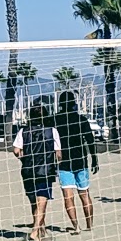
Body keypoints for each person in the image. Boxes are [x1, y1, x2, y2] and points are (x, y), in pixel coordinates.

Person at [11, 97, 60, 241]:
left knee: (33, 201)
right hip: (45, 169)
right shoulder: (52, 131)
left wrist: (22, 157)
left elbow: (15, 150)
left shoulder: (23, 131)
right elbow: (58, 152)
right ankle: (35, 231)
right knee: (42, 200)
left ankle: (41, 229)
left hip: (28, 169)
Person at [53, 91, 97, 231]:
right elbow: (90, 140)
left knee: (68, 197)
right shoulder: (81, 120)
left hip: (63, 161)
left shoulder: (55, 120)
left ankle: (76, 226)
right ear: (73, 103)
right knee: (84, 195)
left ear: (60, 104)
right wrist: (94, 159)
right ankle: (89, 226)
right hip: (80, 160)